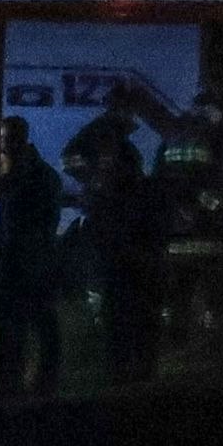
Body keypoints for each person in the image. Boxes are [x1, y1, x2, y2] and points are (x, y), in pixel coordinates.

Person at [0, 114, 64, 398]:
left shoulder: (30, 175)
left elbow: (5, 205)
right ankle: (17, 380)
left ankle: (25, 381)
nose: (3, 146)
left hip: (26, 263)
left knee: (28, 324)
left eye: (7, 140)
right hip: (17, 262)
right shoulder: (29, 172)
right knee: (17, 325)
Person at [88, 138, 170, 381]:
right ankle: (131, 375)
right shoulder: (127, 192)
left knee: (133, 325)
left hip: (134, 269)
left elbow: (153, 229)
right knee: (129, 327)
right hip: (129, 270)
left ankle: (132, 375)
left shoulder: (129, 193)